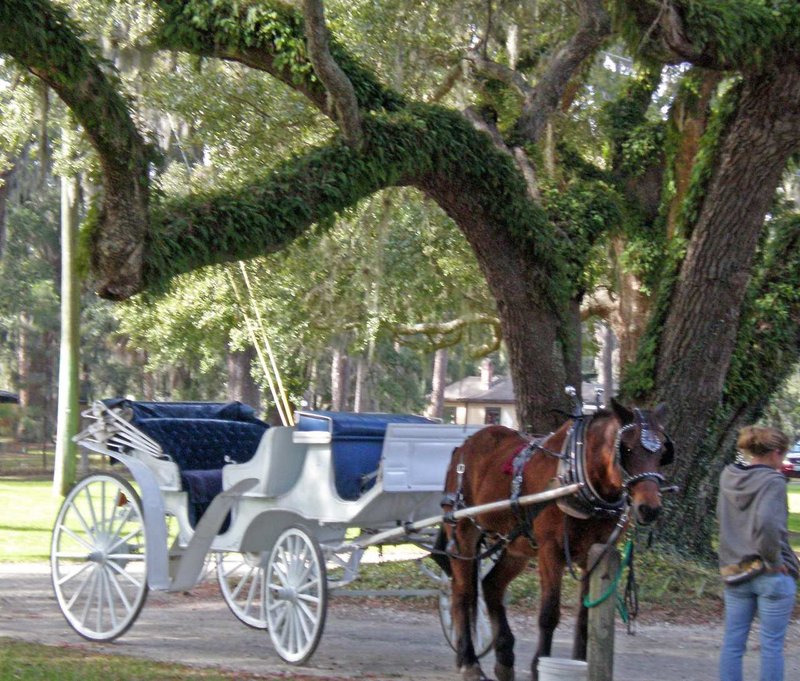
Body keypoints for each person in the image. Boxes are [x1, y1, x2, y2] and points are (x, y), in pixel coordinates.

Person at [717, 425, 799, 681]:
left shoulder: (728, 476)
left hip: (735, 570)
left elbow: (721, 517)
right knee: (772, 645)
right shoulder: (773, 481)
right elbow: (767, 525)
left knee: (733, 643)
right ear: (776, 452)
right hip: (770, 573)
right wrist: (773, 561)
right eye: (782, 455)